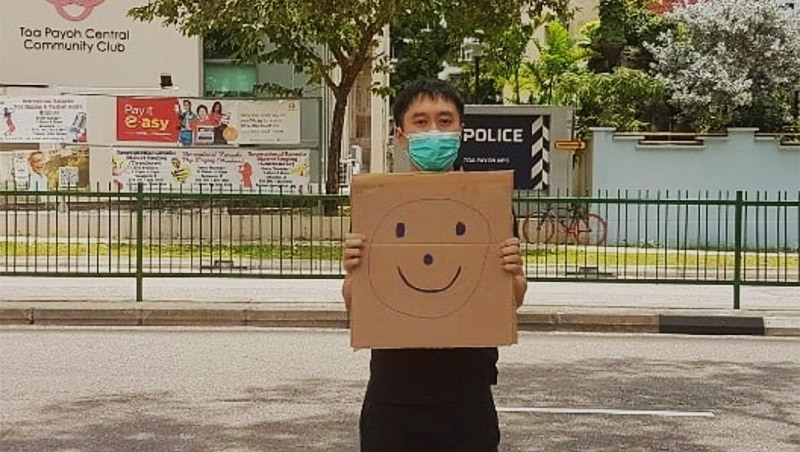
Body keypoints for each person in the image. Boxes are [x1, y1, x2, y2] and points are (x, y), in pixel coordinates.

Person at [342, 78, 527, 452]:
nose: (434, 132)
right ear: (400, 134)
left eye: (445, 121)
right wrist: (353, 272)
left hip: (467, 396)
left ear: (461, 132)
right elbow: (354, 305)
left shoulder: (487, 205)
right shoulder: (377, 207)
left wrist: (514, 273)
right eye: (421, 122)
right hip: (394, 395)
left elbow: (512, 300)